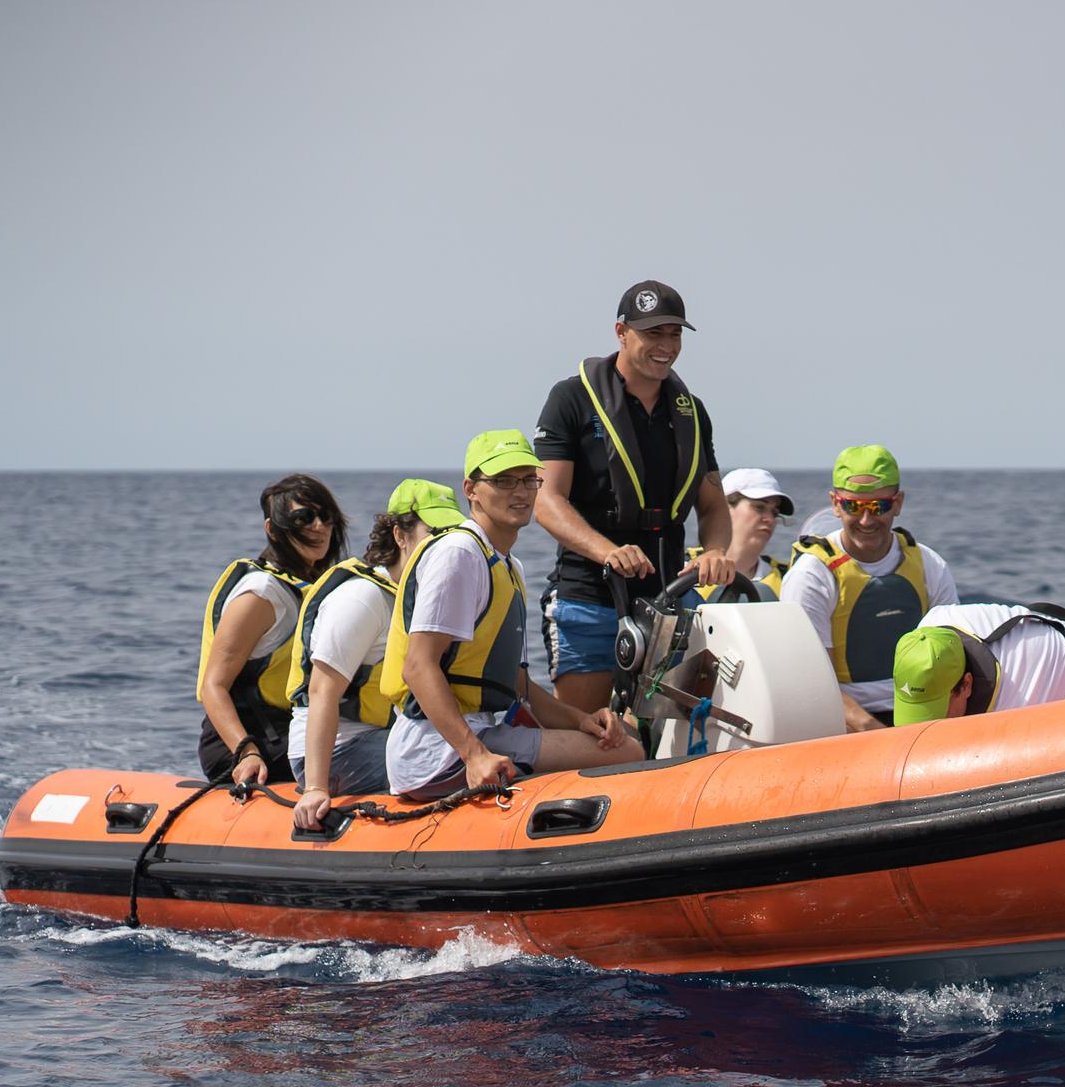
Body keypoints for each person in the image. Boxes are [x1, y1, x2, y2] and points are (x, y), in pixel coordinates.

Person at [384, 430, 644, 800]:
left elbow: (519, 685)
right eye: (503, 481)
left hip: (484, 731)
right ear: (471, 489)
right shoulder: (460, 553)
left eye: (528, 480)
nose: (520, 492)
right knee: (628, 753)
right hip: (434, 754)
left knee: (620, 739)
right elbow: (417, 666)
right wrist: (474, 756)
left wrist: (580, 720)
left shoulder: (508, 565)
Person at [533, 279, 735, 714]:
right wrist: (607, 551)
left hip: (670, 598)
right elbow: (546, 501)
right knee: (585, 729)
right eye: (653, 333)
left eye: (675, 333)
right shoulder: (569, 399)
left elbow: (714, 505)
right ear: (622, 332)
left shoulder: (692, 411)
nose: (666, 345)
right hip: (589, 599)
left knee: (667, 729)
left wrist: (715, 552)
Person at [287, 478, 463, 830]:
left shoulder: (417, 597)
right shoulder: (363, 598)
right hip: (335, 753)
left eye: (450, 536)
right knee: (452, 762)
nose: (443, 548)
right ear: (400, 536)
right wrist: (316, 787)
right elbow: (323, 689)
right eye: (433, 534)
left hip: (383, 737)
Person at [779, 445, 958, 731]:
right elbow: (812, 680)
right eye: (854, 506)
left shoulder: (928, 564)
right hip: (844, 721)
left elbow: (954, 653)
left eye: (879, 506)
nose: (866, 520)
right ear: (836, 504)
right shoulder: (811, 576)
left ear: (897, 503)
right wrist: (873, 731)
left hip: (919, 713)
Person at [197, 474, 349, 786]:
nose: (318, 526)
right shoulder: (261, 595)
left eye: (326, 516)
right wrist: (246, 751)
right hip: (251, 743)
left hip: (291, 728)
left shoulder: (310, 585)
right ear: (272, 529)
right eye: (303, 518)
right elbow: (213, 686)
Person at [889, 602, 1065, 726]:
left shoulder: (1013, 700)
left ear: (966, 685)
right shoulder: (924, 637)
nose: (925, 725)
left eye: (936, 711)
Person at [688, 468, 796, 600]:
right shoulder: (683, 567)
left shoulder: (789, 577)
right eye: (759, 507)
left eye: (774, 512)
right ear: (724, 508)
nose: (770, 519)